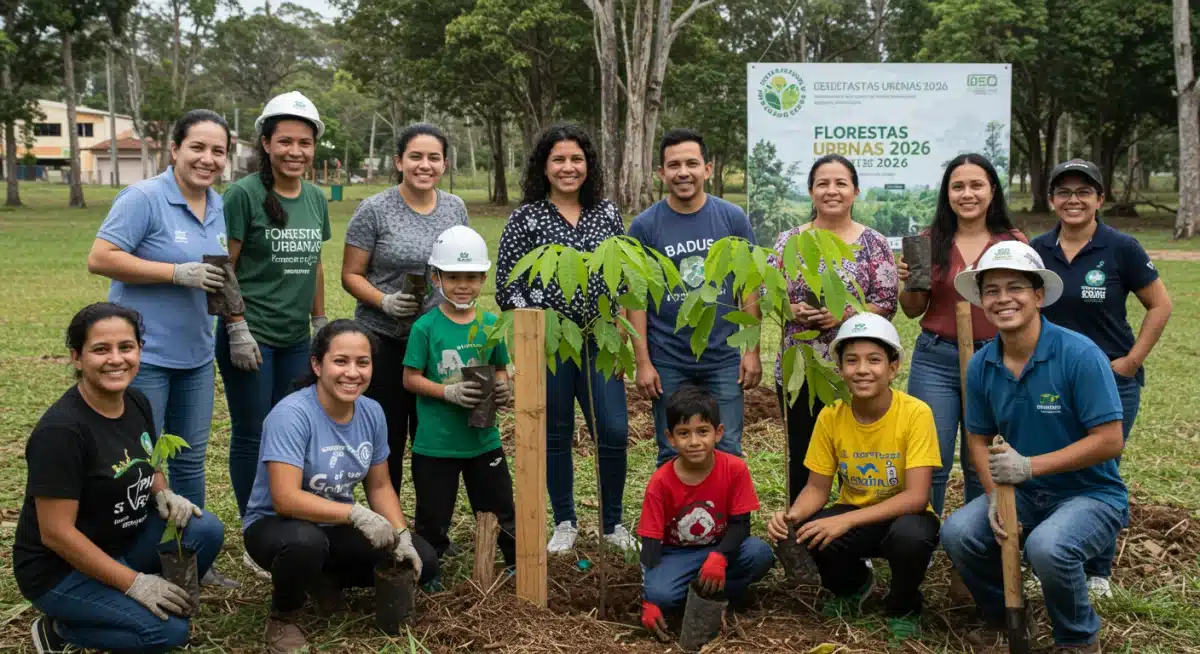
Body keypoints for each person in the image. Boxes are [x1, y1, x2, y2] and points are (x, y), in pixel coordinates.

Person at [941, 241, 1126, 654]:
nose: (1003, 298)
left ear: (1038, 296)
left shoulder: (1079, 355)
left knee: (1048, 547)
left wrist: (1029, 466)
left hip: (1090, 494)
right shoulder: (982, 364)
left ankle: (1077, 638)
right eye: (991, 290)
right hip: (1022, 494)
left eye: (1015, 288)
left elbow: (1110, 440)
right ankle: (1001, 616)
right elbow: (978, 437)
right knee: (959, 533)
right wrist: (994, 494)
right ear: (981, 301)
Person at [15, 303, 226, 653]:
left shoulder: (136, 401)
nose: (116, 359)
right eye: (101, 349)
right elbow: (56, 534)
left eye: (126, 347)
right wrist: (135, 584)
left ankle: (117, 605)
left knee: (205, 530)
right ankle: (60, 629)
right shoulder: (61, 432)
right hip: (58, 570)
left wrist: (164, 493)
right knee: (168, 633)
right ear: (77, 357)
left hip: (118, 542)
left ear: (140, 350)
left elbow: (148, 460)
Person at [87, 109, 238, 587]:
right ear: (174, 149)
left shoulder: (217, 204)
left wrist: (237, 324)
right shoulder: (144, 198)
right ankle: (128, 560)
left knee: (190, 459)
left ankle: (193, 558)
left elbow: (220, 273)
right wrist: (175, 273)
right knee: (142, 462)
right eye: (198, 147)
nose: (207, 159)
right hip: (144, 358)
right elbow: (100, 257)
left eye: (218, 151)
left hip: (196, 356)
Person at [242, 320, 437, 654]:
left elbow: (380, 485)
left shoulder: (372, 412)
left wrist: (401, 534)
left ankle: (323, 579)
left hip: (333, 525)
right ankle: (283, 616)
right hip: (277, 526)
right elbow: (285, 499)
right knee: (305, 544)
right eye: (340, 361)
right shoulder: (292, 415)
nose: (352, 373)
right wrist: (355, 514)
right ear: (318, 365)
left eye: (363, 362)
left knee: (424, 560)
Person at [1030, 159, 1172, 597]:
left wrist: (1131, 361)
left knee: (1099, 469)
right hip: (1051, 379)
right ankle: (1045, 558)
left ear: (1100, 199)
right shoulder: (1037, 250)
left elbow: (1160, 305)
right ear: (1052, 199)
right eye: (1064, 192)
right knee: (1049, 466)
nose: (1073, 200)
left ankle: (1097, 569)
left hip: (1111, 380)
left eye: (1083, 191)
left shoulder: (1121, 247)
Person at [495, 123, 633, 553]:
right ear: (544, 166)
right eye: (559, 159)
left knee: (613, 429)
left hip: (600, 339)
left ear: (589, 165)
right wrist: (538, 327)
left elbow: (622, 276)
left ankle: (612, 523)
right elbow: (507, 286)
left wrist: (621, 330)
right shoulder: (526, 218)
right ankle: (565, 521)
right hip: (549, 343)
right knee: (555, 432)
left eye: (577, 159)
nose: (568, 167)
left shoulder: (606, 213)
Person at [766, 314, 941, 643]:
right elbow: (817, 488)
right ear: (840, 369)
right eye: (852, 361)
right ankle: (854, 586)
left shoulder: (916, 414)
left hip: (904, 516)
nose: (862, 369)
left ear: (893, 368)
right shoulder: (831, 415)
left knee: (912, 538)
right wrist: (791, 517)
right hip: (856, 513)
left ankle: (903, 606)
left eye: (874, 360)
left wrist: (845, 521)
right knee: (810, 531)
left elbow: (916, 497)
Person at [217, 91, 331, 530]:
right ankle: (255, 526)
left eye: (304, 143)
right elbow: (223, 266)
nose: (295, 151)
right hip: (252, 336)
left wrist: (319, 321)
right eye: (285, 141)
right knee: (252, 432)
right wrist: (236, 327)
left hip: (296, 339)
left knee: (289, 431)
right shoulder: (242, 195)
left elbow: (315, 265)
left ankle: (287, 512)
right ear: (265, 143)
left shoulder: (316, 198)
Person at [898, 153, 1028, 516]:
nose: (967, 194)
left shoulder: (1013, 243)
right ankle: (924, 535)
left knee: (981, 459)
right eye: (958, 187)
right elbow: (912, 309)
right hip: (935, 359)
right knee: (931, 458)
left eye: (976, 185)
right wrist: (909, 281)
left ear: (992, 190)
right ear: (947, 194)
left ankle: (975, 537)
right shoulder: (928, 241)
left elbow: (1029, 306)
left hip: (995, 360)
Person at [342, 123, 469, 493]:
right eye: (415, 156)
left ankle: (431, 521)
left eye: (433, 158)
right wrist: (385, 301)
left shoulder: (455, 208)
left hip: (434, 340)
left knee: (433, 436)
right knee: (388, 435)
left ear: (444, 164)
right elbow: (350, 274)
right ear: (399, 161)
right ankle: (389, 518)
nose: (424, 165)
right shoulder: (374, 210)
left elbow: (463, 268)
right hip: (384, 339)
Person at [767, 154, 898, 504]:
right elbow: (767, 293)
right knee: (803, 454)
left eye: (841, 183)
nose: (832, 190)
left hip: (856, 369)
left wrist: (845, 315)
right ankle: (802, 527)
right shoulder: (789, 241)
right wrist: (790, 309)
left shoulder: (873, 243)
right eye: (822, 183)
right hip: (800, 367)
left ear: (855, 191)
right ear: (811, 192)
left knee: (855, 454)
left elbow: (887, 302)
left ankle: (853, 526)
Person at [628, 128, 762, 467]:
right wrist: (643, 362)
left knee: (727, 447)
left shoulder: (732, 218)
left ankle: (726, 505)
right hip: (668, 358)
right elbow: (637, 299)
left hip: (724, 356)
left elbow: (749, 287)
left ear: (707, 169)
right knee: (672, 450)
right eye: (674, 165)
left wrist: (751, 351)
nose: (683, 172)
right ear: (661, 173)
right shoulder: (645, 226)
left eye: (691, 163)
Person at [402, 226, 517, 568]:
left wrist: (503, 386)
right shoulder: (425, 327)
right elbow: (410, 379)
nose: (462, 285)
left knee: (501, 508)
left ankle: (514, 563)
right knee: (433, 516)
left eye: (471, 277)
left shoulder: (491, 324)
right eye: (453, 277)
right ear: (436, 278)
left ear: (483, 279)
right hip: (436, 444)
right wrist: (447, 392)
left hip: (483, 439)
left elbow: (501, 367)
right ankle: (429, 569)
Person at [638, 386, 774, 639]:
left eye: (702, 431)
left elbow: (741, 524)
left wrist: (720, 556)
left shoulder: (735, 469)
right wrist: (648, 599)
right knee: (660, 594)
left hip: (720, 548)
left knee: (760, 553)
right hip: (677, 554)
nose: (694, 442)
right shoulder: (660, 482)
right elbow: (651, 542)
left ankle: (718, 594)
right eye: (683, 433)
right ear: (670, 438)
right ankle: (697, 593)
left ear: (718, 433)